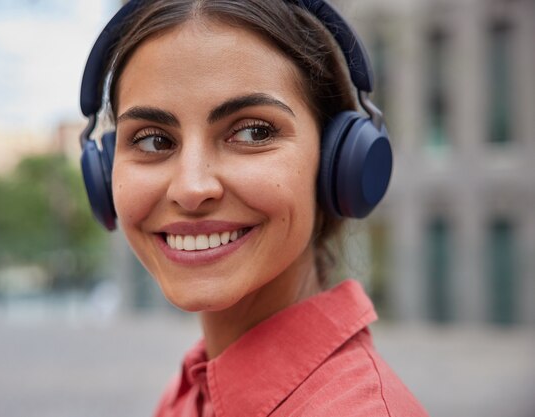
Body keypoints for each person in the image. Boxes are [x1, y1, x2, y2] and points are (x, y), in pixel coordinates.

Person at [78, 0, 429, 415]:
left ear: (339, 163)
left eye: (253, 132)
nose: (192, 188)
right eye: (154, 140)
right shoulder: (191, 390)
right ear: (104, 173)